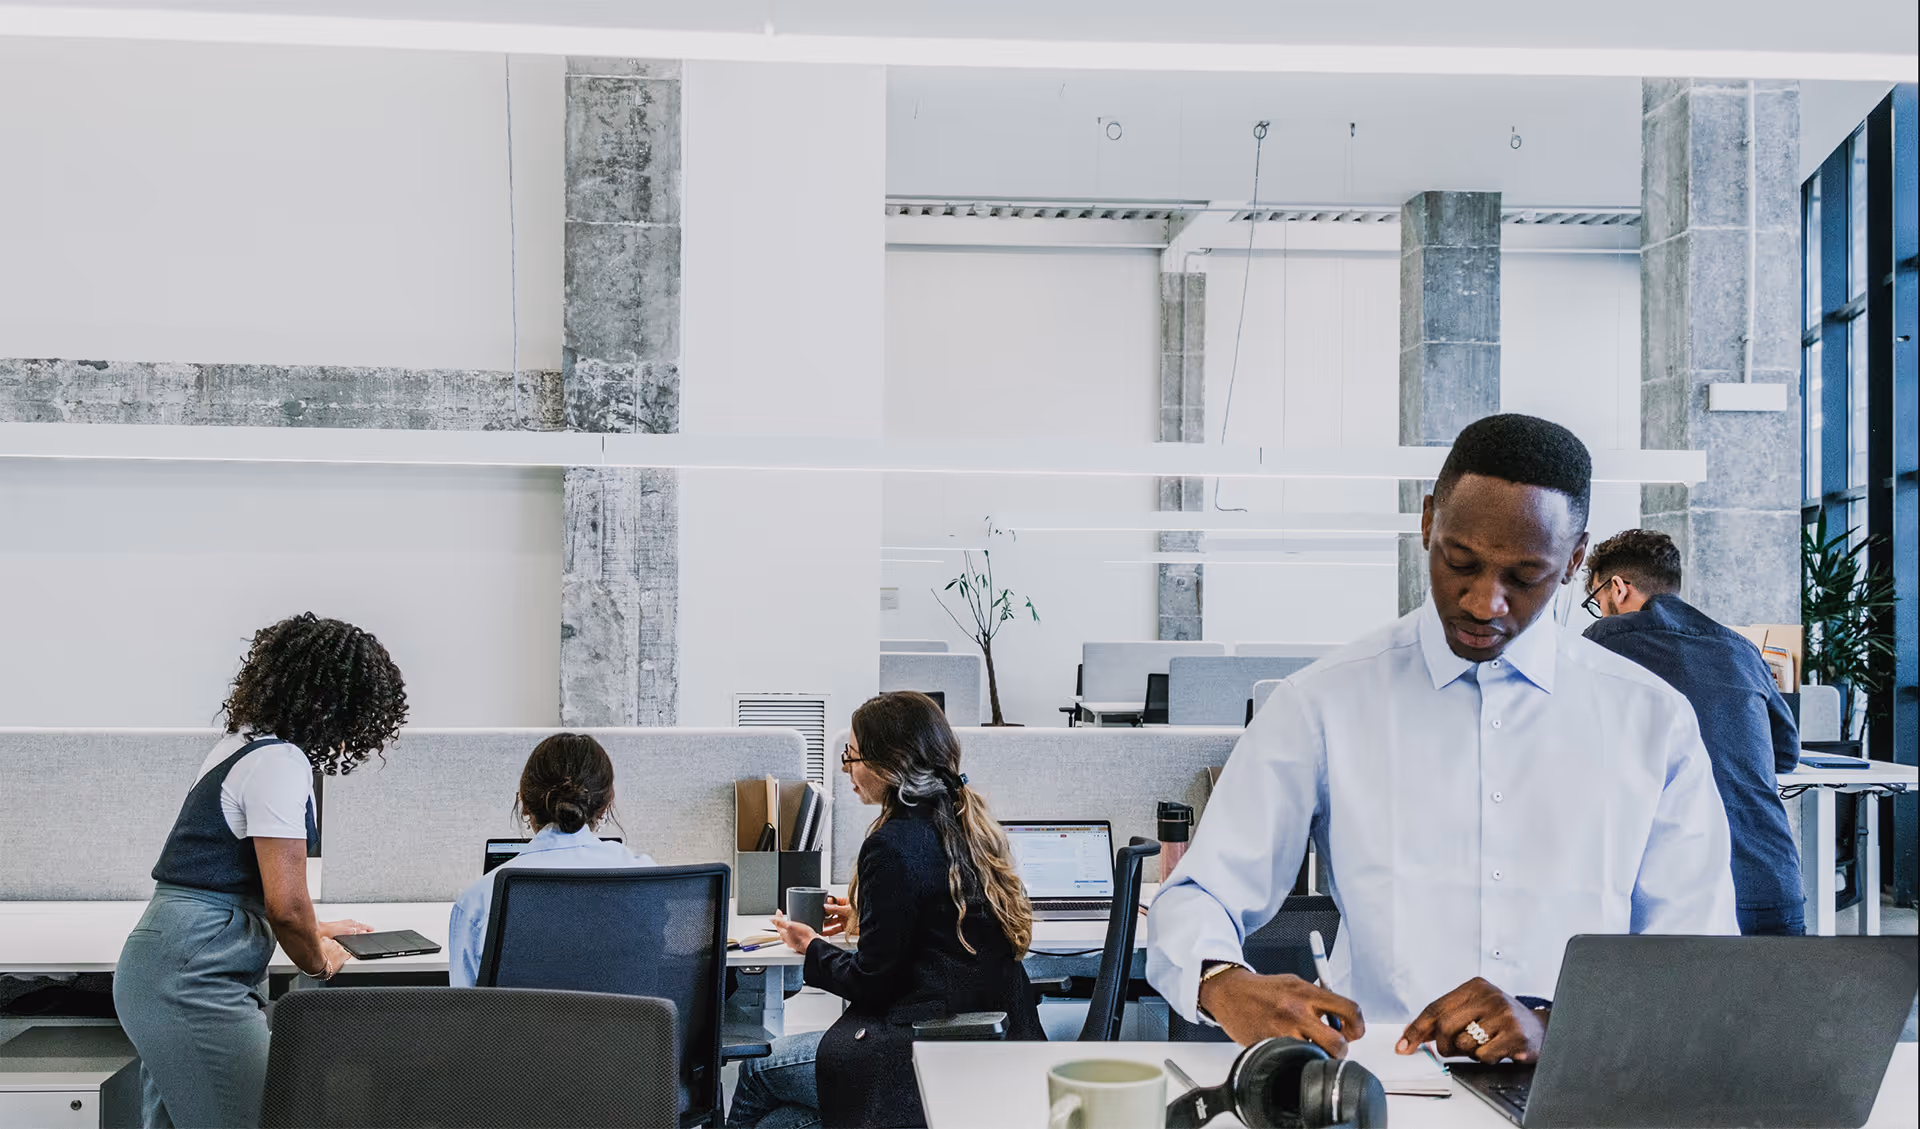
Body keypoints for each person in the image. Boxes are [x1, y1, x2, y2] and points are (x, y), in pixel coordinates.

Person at [1147, 413, 1737, 1067]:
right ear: (1428, 521)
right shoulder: (1323, 703)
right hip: (1379, 1090)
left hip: (1578, 1090)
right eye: (1460, 561)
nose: (1485, 602)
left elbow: (1698, 959)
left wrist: (1558, 1026)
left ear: (1574, 560)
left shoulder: (1652, 721)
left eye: (1524, 575)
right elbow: (1198, 893)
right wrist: (1221, 981)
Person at [114, 613, 409, 1128]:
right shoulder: (280, 763)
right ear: (336, 704)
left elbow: (226, 883)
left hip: (167, 961)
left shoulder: (239, 746)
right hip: (192, 979)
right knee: (262, 1118)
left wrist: (311, 927)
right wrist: (319, 960)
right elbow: (286, 905)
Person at [729, 691, 1043, 1129]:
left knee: (757, 1071)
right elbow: (939, 929)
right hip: (992, 1034)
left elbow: (872, 983)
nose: (846, 769)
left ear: (887, 765)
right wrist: (867, 916)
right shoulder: (966, 824)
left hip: (920, 1044)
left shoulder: (891, 845)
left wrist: (812, 945)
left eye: (851, 757)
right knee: (780, 1123)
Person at [1580, 528, 1806, 936]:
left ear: (1616, 588)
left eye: (1596, 601)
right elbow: (1786, 753)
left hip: (1674, 890)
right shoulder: (1739, 648)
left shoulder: (1599, 646)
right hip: (1769, 878)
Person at [446, 732, 657, 986]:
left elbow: (467, 1010)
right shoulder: (649, 878)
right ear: (606, 805)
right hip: (627, 1026)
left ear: (523, 802)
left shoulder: (479, 900)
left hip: (519, 1027)